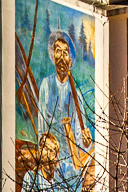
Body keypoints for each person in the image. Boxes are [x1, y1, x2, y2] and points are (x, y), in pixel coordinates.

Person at [36, 30, 93, 191]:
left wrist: (86, 142)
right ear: (53, 55)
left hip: (70, 165)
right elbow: (41, 128)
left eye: (65, 53)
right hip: (50, 162)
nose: (61, 57)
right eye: (58, 51)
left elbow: (81, 137)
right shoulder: (46, 85)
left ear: (70, 59)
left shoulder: (75, 94)